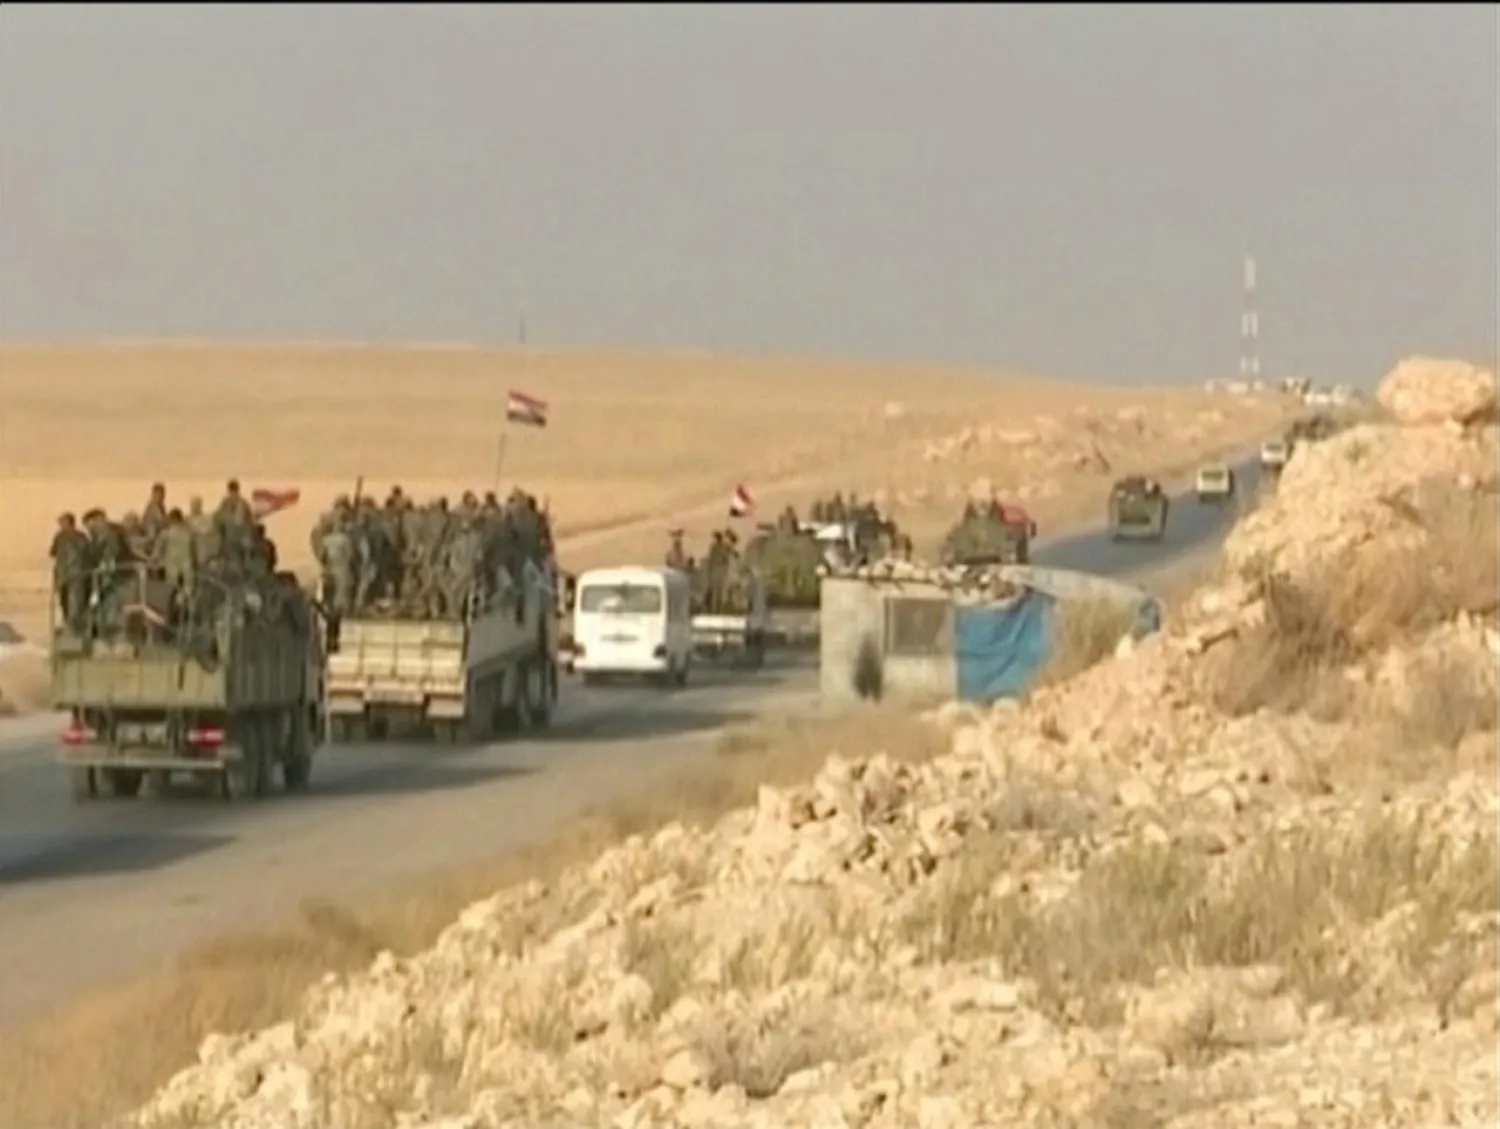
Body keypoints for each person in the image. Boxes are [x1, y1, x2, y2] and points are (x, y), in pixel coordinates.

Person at [49, 512, 90, 632]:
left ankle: (73, 625)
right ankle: (72, 624)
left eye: (62, 522)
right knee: (71, 601)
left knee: (71, 601)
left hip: (71, 574)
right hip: (72, 574)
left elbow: (52, 552)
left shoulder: (62, 537)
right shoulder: (79, 536)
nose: (60, 525)